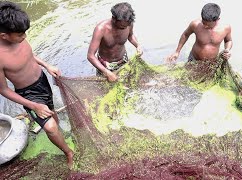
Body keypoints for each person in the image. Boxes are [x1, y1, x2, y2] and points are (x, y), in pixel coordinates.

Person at [0, 1, 73, 168]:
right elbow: (3, 90)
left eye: (25, 33)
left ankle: (59, 132)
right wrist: (33, 105)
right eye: (20, 35)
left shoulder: (18, 37)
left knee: (52, 110)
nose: (24, 37)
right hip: (28, 94)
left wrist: (47, 65)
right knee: (51, 128)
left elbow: (30, 55)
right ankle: (68, 152)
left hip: (42, 80)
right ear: (4, 36)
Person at [87, 2, 143, 82]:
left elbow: (130, 36)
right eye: (121, 26)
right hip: (105, 65)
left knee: (127, 84)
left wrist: (138, 45)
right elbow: (90, 56)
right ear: (114, 18)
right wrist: (107, 72)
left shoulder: (128, 23)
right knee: (104, 89)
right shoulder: (101, 29)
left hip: (123, 61)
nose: (124, 28)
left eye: (126, 26)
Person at [167, 3, 232, 63]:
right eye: (203, 23)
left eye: (208, 25)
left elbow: (228, 40)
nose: (205, 26)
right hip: (194, 59)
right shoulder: (195, 24)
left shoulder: (225, 28)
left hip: (212, 62)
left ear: (217, 19)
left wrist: (227, 50)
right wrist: (177, 52)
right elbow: (185, 35)